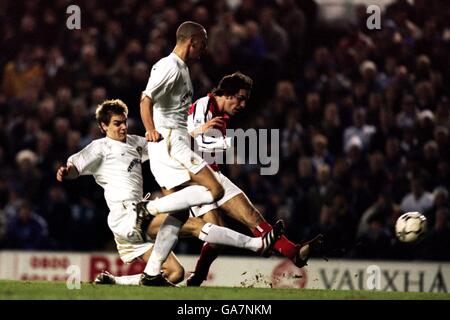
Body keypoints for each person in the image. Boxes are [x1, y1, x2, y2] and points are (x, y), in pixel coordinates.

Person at [56, 99, 283, 286]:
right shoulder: (100, 148)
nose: (123, 127)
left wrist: (196, 132)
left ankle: (114, 282)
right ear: (104, 127)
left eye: (124, 122)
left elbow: (171, 143)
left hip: (136, 218)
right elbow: (77, 165)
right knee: (191, 222)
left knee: (175, 273)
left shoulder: (136, 142)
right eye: (116, 124)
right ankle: (256, 245)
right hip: (127, 215)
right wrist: (68, 172)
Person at [185, 72, 325, 286]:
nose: (242, 104)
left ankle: (294, 253)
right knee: (215, 234)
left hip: (212, 173)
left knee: (252, 215)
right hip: (194, 176)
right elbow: (198, 140)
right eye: (240, 98)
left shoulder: (222, 117)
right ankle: (196, 277)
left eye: (246, 100)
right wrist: (231, 144)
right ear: (227, 93)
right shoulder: (205, 104)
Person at [136, 21, 236, 286]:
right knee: (215, 189)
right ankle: (149, 208)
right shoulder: (169, 66)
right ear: (192, 41)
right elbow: (146, 100)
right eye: (203, 43)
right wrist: (150, 130)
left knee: (179, 212)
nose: (204, 49)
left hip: (178, 139)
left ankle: (152, 273)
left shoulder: (181, 69)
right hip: (171, 142)